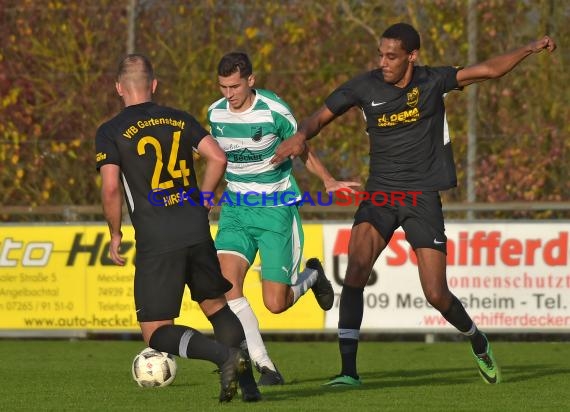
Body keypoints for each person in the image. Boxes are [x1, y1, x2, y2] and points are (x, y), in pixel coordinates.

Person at [272, 23, 557, 386]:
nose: (384, 61)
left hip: (422, 196)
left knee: (436, 295)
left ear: (412, 56)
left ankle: (476, 339)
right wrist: (300, 135)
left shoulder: (433, 81)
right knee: (356, 272)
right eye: (381, 54)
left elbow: (489, 69)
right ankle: (348, 372)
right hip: (380, 194)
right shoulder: (364, 86)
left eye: (392, 56)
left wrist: (529, 47)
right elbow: (318, 117)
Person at [95, 54, 262, 402]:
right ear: (154, 85)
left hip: (158, 237)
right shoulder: (179, 118)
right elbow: (218, 157)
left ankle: (223, 356)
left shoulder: (110, 131)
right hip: (195, 228)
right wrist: (204, 195)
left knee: (156, 333)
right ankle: (250, 389)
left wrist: (115, 233)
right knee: (217, 307)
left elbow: (110, 187)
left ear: (118, 88)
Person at [207, 52, 359, 385]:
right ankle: (266, 367)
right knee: (227, 288)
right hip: (235, 209)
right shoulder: (215, 113)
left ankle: (312, 277)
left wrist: (328, 180)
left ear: (251, 80)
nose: (228, 94)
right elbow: (216, 159)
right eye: (222, 87)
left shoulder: (275, 110)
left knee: (276, 303)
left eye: (234, 86)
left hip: (275, 210)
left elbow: (301, 146)